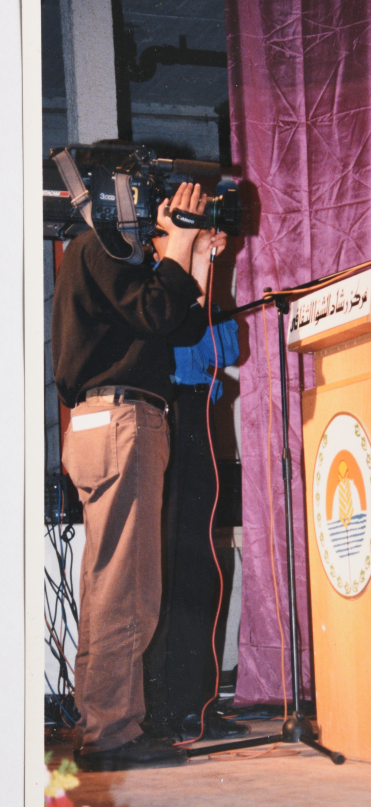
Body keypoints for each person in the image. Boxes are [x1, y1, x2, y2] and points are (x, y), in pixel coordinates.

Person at [53, 182, 219, 771]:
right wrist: (180, 240)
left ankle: (103, 723)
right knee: (127, 587)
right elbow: (157, 310)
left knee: (112, 583)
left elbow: (181, 328)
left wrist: (197, 255)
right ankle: (113, 732)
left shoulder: (100, 255)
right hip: (122, 421)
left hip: (105, 423)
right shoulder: (103, 247)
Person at [142, 242, 247, 743]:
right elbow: (165, 340)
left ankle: (198, 703)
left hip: (202, 414)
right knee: (167, 563)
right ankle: (160, 705)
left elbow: (230, 350)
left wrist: (206, 279)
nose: (207, 240)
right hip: (166, 412)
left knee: (201, 564)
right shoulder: (152, 286)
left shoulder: (205, 289)